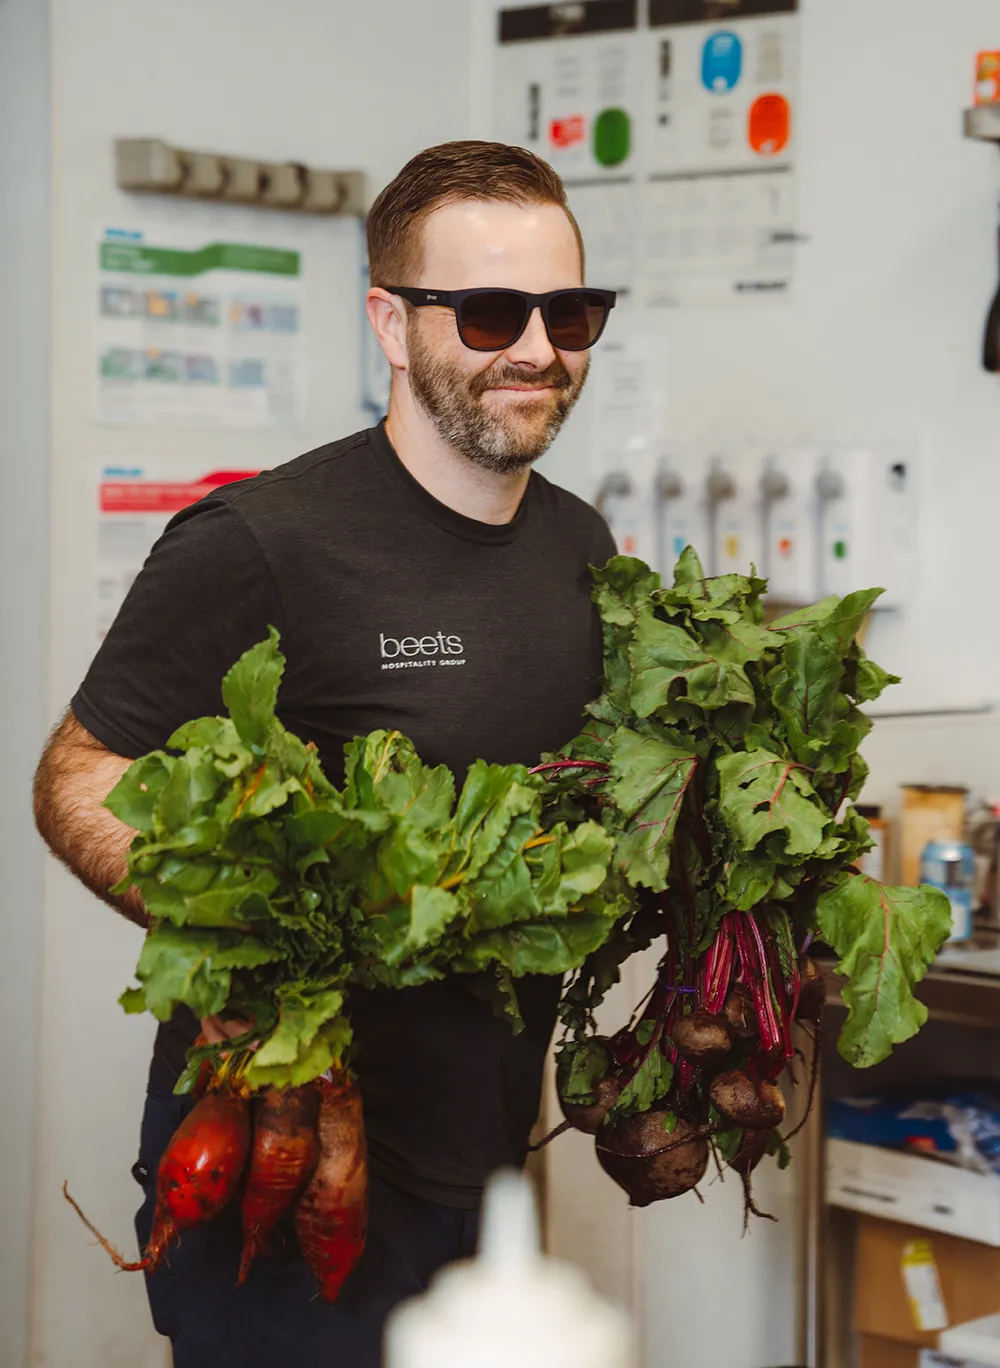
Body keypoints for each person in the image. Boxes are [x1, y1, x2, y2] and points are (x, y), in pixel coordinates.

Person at [33, 139, 618, 1368]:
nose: (537, 350)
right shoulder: (259, 542)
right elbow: (77, 776)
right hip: (277, 1158)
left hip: (483, 1153)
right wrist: (268, 934)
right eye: (489, 312)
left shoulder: (581, 548)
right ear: (390, 326)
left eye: (568, 312)